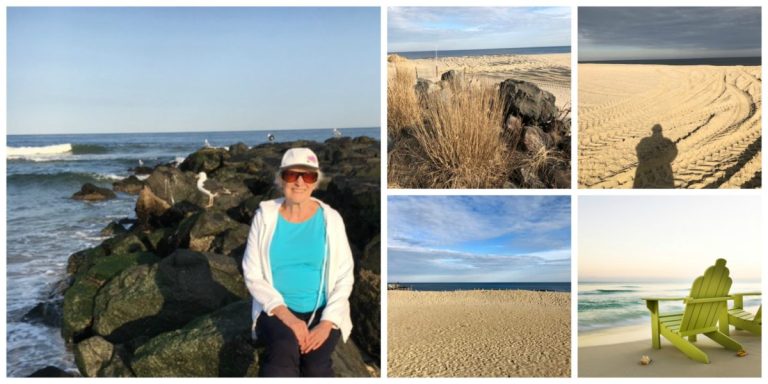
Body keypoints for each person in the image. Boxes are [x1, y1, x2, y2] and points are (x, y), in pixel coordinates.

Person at [242, 147, 354, 377]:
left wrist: (327, 322)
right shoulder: (265, 216)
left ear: (315, 182)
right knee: (283, 349)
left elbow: (345, 275)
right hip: (276, 309)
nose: (300, 182)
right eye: (292, 175)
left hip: (321, 309)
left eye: (309, 176)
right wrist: (289, 319)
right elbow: (252, 273)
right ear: (281, 179)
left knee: (316, 364)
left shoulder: (330, 219)